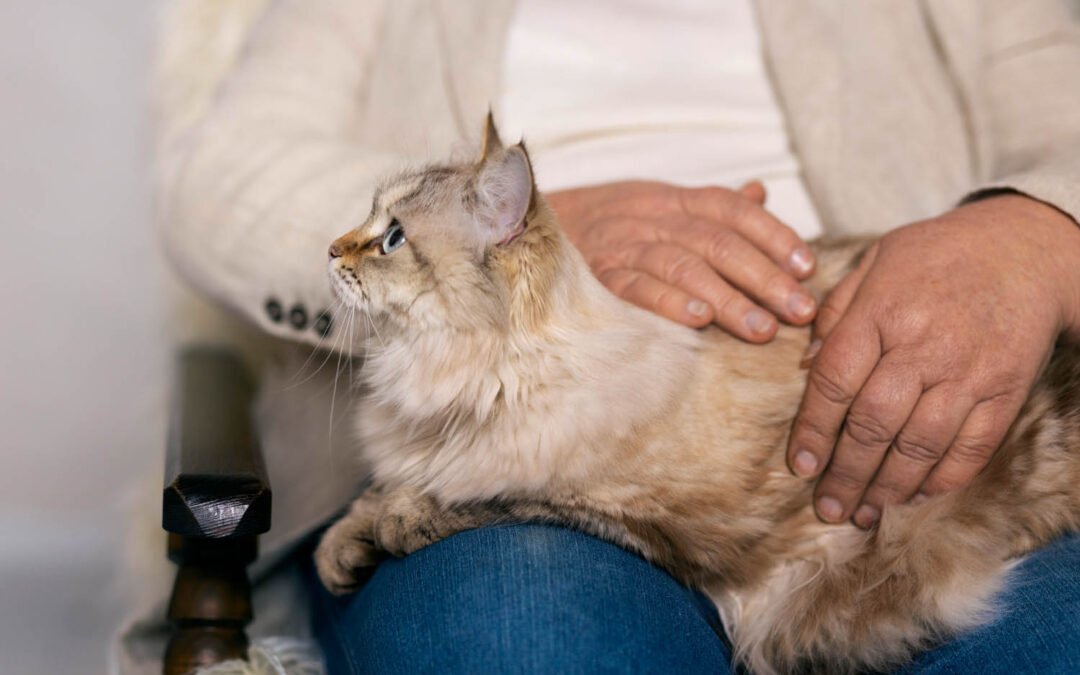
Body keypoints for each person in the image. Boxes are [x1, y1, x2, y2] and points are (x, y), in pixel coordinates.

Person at [120, 0, 1080, 673]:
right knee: (525, 640)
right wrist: (520, 236)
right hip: (499, 470)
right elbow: (220, 179)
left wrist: (1039, 227)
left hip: (921, 468)